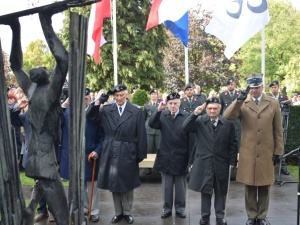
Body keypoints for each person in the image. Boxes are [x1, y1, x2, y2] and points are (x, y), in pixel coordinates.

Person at [4, 10, 69, 224]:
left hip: (38, 158)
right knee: (62, 213)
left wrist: (18, 28)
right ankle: (30, 210)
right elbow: (61, 61)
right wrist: (43, 23)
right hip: (44, 161)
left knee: (54, 206)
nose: (40, 69)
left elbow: (61, 62)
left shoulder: (43, 91)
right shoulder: (38, 91)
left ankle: (30, 209)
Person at [223, 73, 284, 225]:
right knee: (249, 185)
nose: (254, 91)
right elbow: (227, 116)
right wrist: (238, 100)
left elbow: (278, 129)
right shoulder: (243, 102)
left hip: (266, 151)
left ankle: (262, 216)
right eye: (251, 88)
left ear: (262, 87)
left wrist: (278, 151)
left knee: (264, 185)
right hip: (248, 151)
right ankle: (251, 215)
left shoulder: (272, 103)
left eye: (257, 87)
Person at [87, 84, 147, 224]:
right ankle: (118, 212)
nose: (119, 98)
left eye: (122, 95)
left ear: (127, 95)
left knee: (127, 184)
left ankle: (128, 212)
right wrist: (98, 102)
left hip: (128, 150)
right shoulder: (107, 109)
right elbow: (89, 115)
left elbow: (141, 134)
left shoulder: (135, 111)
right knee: (114, 183)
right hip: (111, 150)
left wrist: (139, 154)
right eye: (116, 96)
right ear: (114, 97)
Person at [183, 97, 238, 225]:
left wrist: (233, 162)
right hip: (204, 162)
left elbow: (233, 144)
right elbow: (185, 127)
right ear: (206, 109)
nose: (212, 111)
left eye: (215, 108)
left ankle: (220, 216)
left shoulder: (228, 124)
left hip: (221, 162)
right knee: (205, 190)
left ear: (220, 109)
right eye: (209, 108)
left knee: (220, 190)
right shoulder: (200, 121)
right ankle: (205, 216)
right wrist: (195, 113)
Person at [148, 92, 190, 219]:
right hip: (166, 155)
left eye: (175, 103)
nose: (172, 106)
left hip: (181, 156)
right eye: (170, 103)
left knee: (181, 187)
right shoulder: (163, 115)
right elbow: (151, 124)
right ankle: (166, 208)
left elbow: (191, 138)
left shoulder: (186, 116)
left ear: (180, 103)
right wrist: (159, 110)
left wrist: (190, 158)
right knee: (166, 186)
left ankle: (180, 208)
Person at [268, 80, 290, 175]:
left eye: (275, 87)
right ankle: (269, 166)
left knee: (281, 144)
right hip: (270, 125)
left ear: (278, 87)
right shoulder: (267, 98)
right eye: (272, 87)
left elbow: (289, 111)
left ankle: (283, 166)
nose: (274, 89)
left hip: (281, 125)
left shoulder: (284, 97)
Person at [143, 88, 161, 175]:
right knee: (148, 149)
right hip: (149, 129)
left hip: (158, 129)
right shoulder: (146, 105)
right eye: (152, 94)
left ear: (158, 95)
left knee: (159, 149)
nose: (154, 95)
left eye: (155, 94)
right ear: (150, 95)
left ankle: (159, 167)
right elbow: (144, 118)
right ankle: (148, 168)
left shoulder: (161, 104)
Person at [219, 77, 241, 149]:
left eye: (231, 84)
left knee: (238, 138)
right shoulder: (222, 95)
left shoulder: (239, 94)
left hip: (237, 120)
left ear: (234, 84)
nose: (230, 86)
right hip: (226, 120)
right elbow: (221, 108)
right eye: (228, 84)